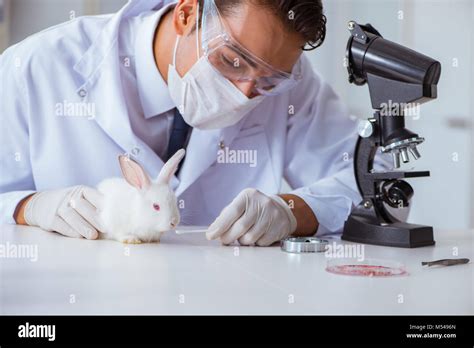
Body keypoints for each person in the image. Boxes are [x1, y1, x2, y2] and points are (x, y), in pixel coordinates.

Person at [0, 0, 379, 246]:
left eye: (268, 81)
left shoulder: (286, 82)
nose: (246, 92)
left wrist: (293, 211)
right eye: (232, 61)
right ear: (186, 14)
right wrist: (25, 208)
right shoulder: (35, 67)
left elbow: (376, 183)